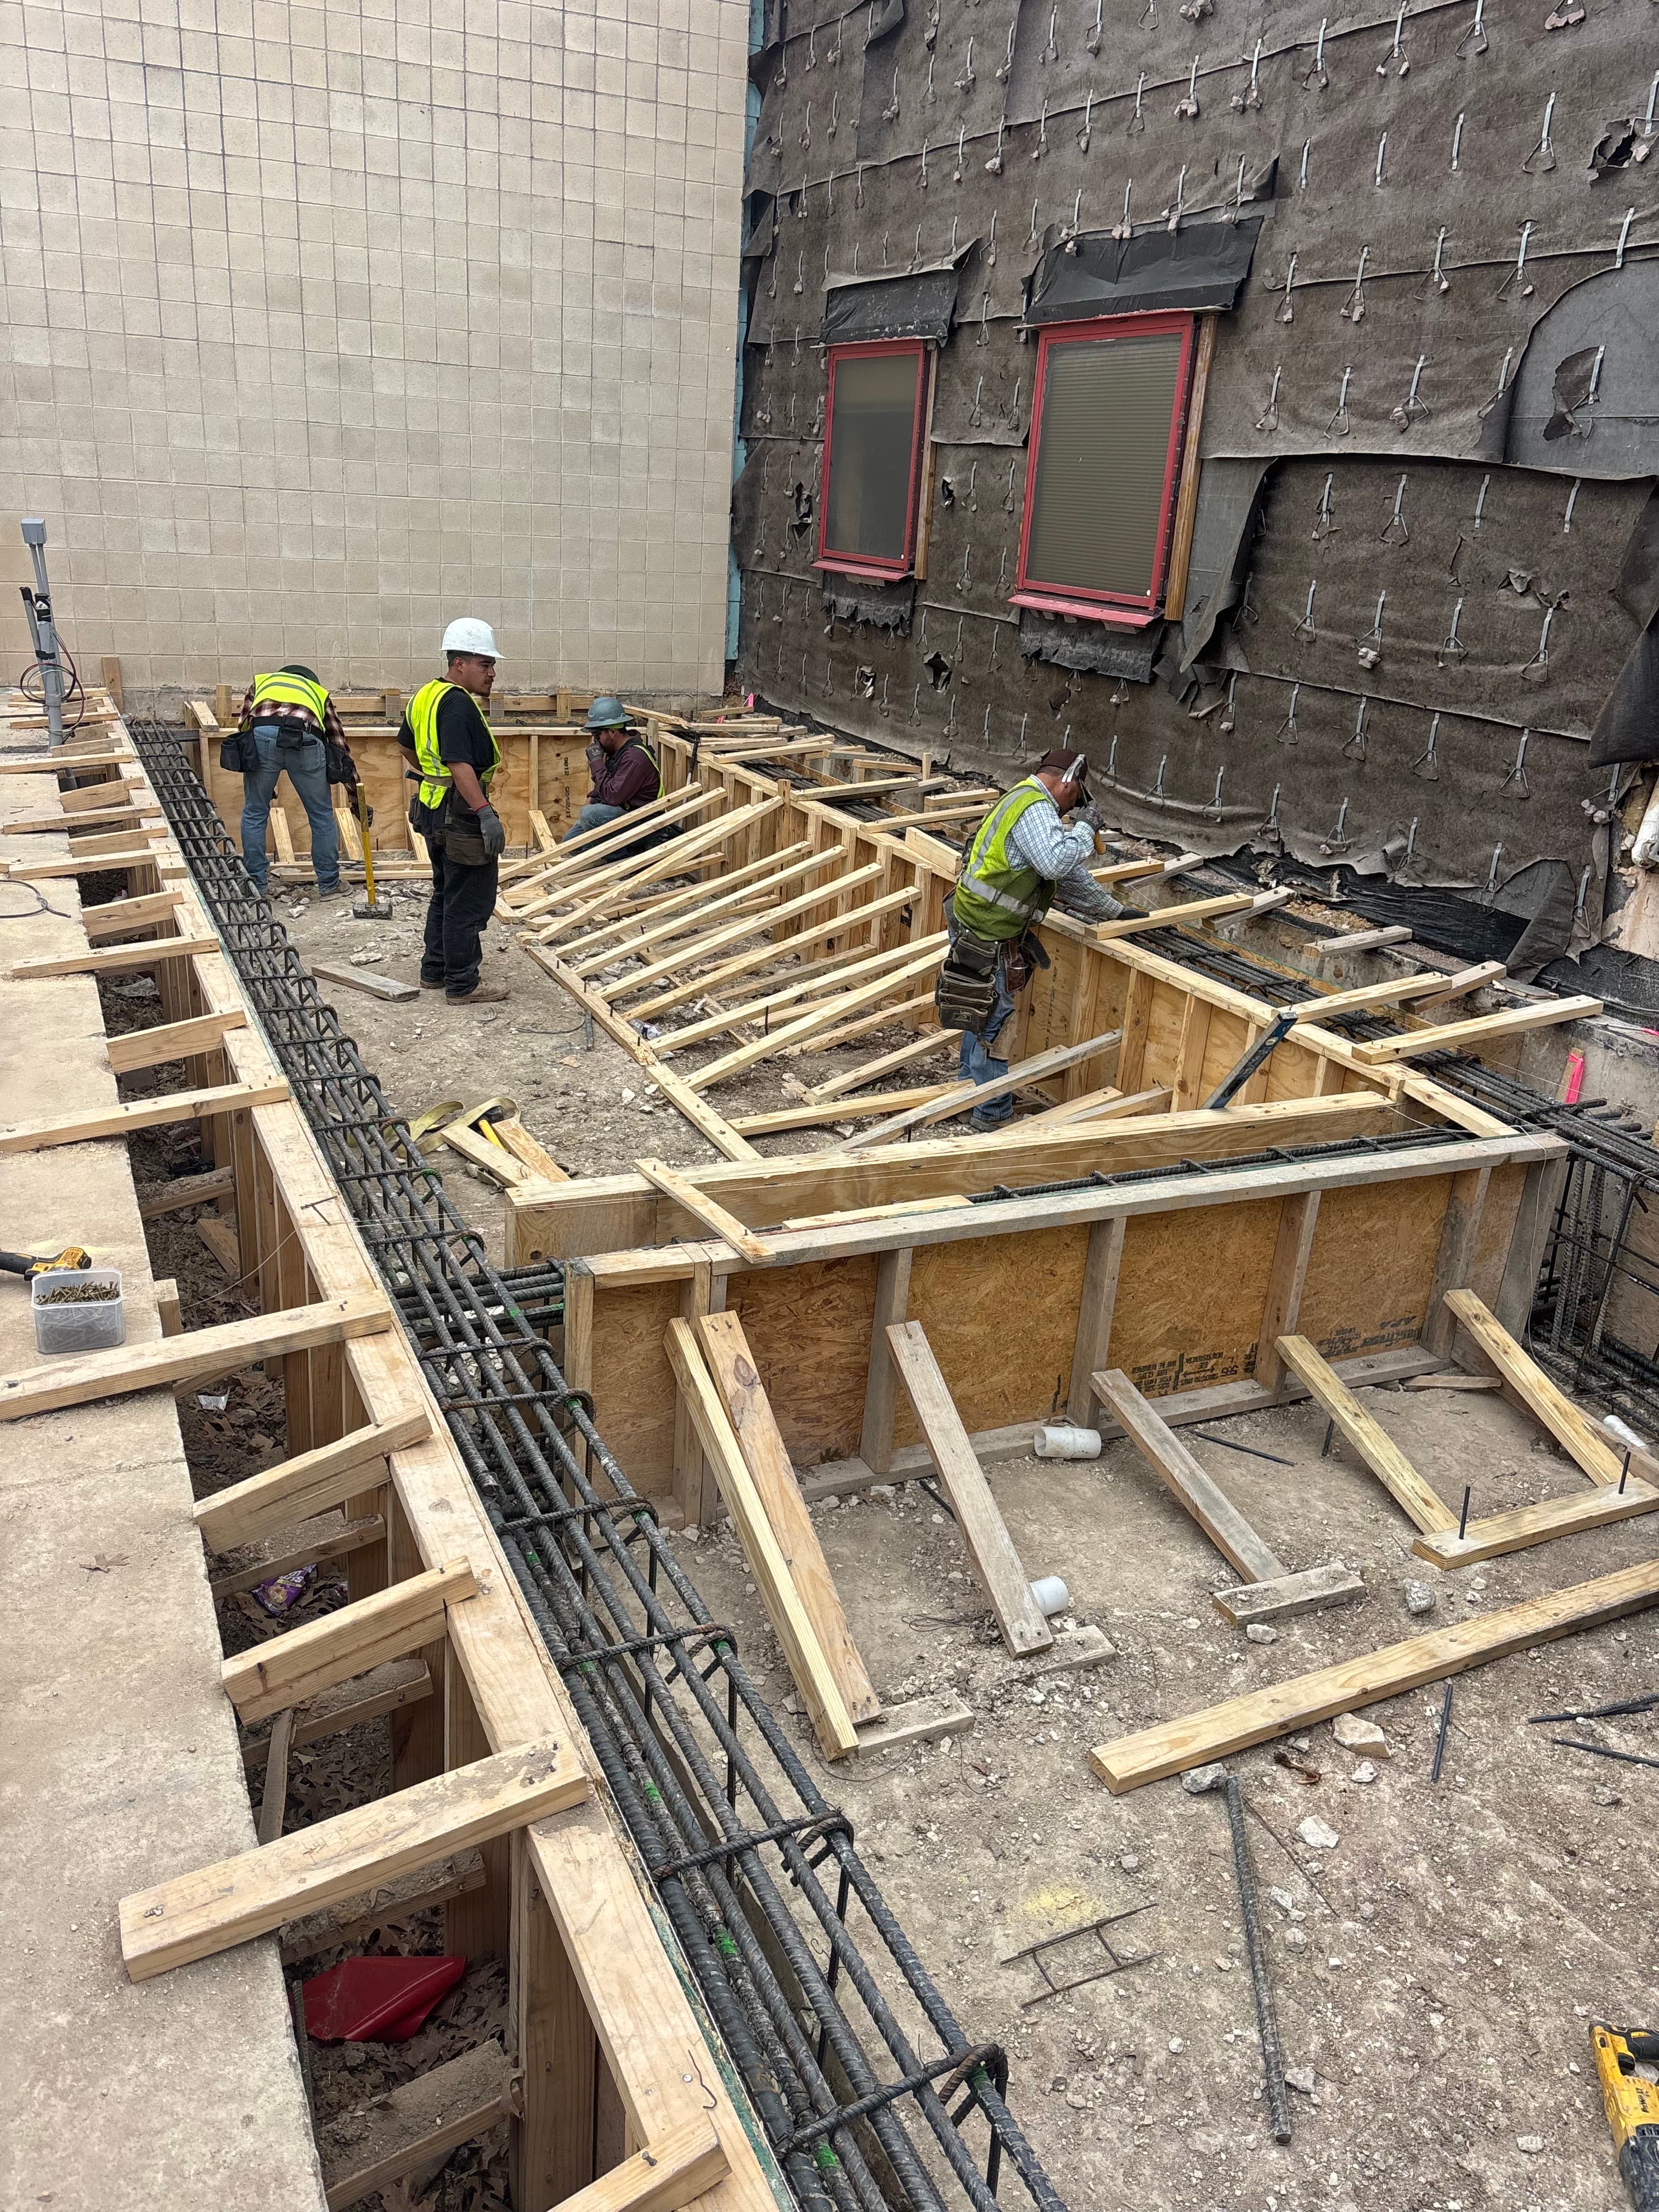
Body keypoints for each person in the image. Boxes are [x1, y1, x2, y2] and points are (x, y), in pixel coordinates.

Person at [938, 748, 1136, 1131]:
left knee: (978, 1007)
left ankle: (969, 1089)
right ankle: (991, 1113)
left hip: (974, 919)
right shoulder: (1036, 809)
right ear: (1068, 783)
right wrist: (1085, 830)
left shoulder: (1021, 799)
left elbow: (1066, 875)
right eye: (1076, 799)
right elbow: (1056, 863)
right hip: (988, 931)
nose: (1073, 808)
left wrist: (1113, 911)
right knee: (994, 1020)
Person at [398, 617, 508, 1005]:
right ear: (459, 664)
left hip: (432, 807)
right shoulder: (459, 704)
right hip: (460, 813)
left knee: (446, 890)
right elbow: (459, 763)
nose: (492, 673)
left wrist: (433, 776)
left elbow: (405, 745)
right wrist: (484, 812)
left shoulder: (425, 695)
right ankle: (462, 983)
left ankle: (435, 969)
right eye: (485, 664)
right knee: (469, 897)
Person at [234, 663, 362, 899]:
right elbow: (339, 746)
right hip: (306, 739)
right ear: (310, 680)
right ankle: (329, 885)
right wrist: (356, 798)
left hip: (261, 736)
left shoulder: (262, 683)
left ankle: (256, 886)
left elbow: (243, 726)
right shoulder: (317, 693)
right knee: (321, 815)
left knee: (254, 812)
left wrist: (259, 772)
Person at [562, 696, 669, 851]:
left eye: (597, 735)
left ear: (612, 732)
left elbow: (613, 796)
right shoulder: (617, 752)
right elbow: (610, 781)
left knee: (589, 815)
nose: (596, 741)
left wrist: (596, 762)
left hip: (642, 823)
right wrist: (594, 796)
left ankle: (625, 856)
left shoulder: (634, 758)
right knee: (570, 845)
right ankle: (609, 852)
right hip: (624, 814)